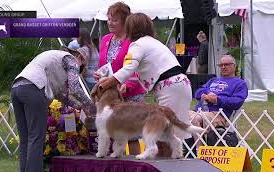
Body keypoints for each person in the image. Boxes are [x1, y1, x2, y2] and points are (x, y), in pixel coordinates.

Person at [97, 13, 193, 155]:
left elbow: (128, 69)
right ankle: (177, 164)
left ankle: (167, 170)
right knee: (173, 133)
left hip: (170, 87)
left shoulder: (137, 45)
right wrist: (125, 84)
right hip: (180, 85)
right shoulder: (152, 42)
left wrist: (104, 84)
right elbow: (145, 72)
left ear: (130, 28)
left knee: (166, 136)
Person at [11, 47, 96, 172]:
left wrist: (79, 106)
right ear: (80, 58)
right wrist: (91, 106)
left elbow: (62, 96)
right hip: (34, 89)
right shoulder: (72, 60)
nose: (78, 72)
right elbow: (75, 89)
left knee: (26, 140)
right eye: (81, 68)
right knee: (36, 138)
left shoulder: (55, 60)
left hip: (16, 88)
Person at [95, 2, 146, 154]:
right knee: (111, 132)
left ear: (125, 21)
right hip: (109, 94)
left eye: (114, 20)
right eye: (108, 19)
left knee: (131, 135)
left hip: (131, 93)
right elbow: (102, 64)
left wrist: (128, 84)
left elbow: (138, 68)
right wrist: (99, 75)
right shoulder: (105, 39)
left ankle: (137, 169)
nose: (110, 22)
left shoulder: (134, 41)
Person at [189, 55, 248, 146]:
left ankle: (199, 151)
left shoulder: (240, 83)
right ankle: (181, 149)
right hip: (199, 111)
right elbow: (197, 92)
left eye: (227, 64)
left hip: (218, 115)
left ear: (234, 66)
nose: (223, 67)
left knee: (195, 119)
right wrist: (208, 93)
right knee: (177, 116)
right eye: (221, 65)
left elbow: (237, 102)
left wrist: (217, 100)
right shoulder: (213, 80)